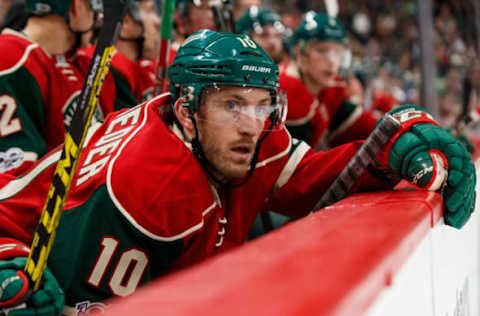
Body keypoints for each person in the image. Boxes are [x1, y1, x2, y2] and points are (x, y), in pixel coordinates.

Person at [0, 30, 475, 316]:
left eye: (262, 104)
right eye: (231, 104)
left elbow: (310, 178)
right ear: (186, 113)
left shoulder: (248, 130)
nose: (252, 123)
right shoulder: (146, 188)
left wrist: (389, 145)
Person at [0, 0, 102, 175]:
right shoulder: (11, 60)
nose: (99, 15)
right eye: (94, 4)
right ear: (75, 7)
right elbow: (13, 181)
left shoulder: (77, 63)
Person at [280, 11, 378, 150]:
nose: (332, 61)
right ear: (299, 53)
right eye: (321, 50)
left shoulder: (330, 85)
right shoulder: (287, 88)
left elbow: (363, 125)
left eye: (338, 52)